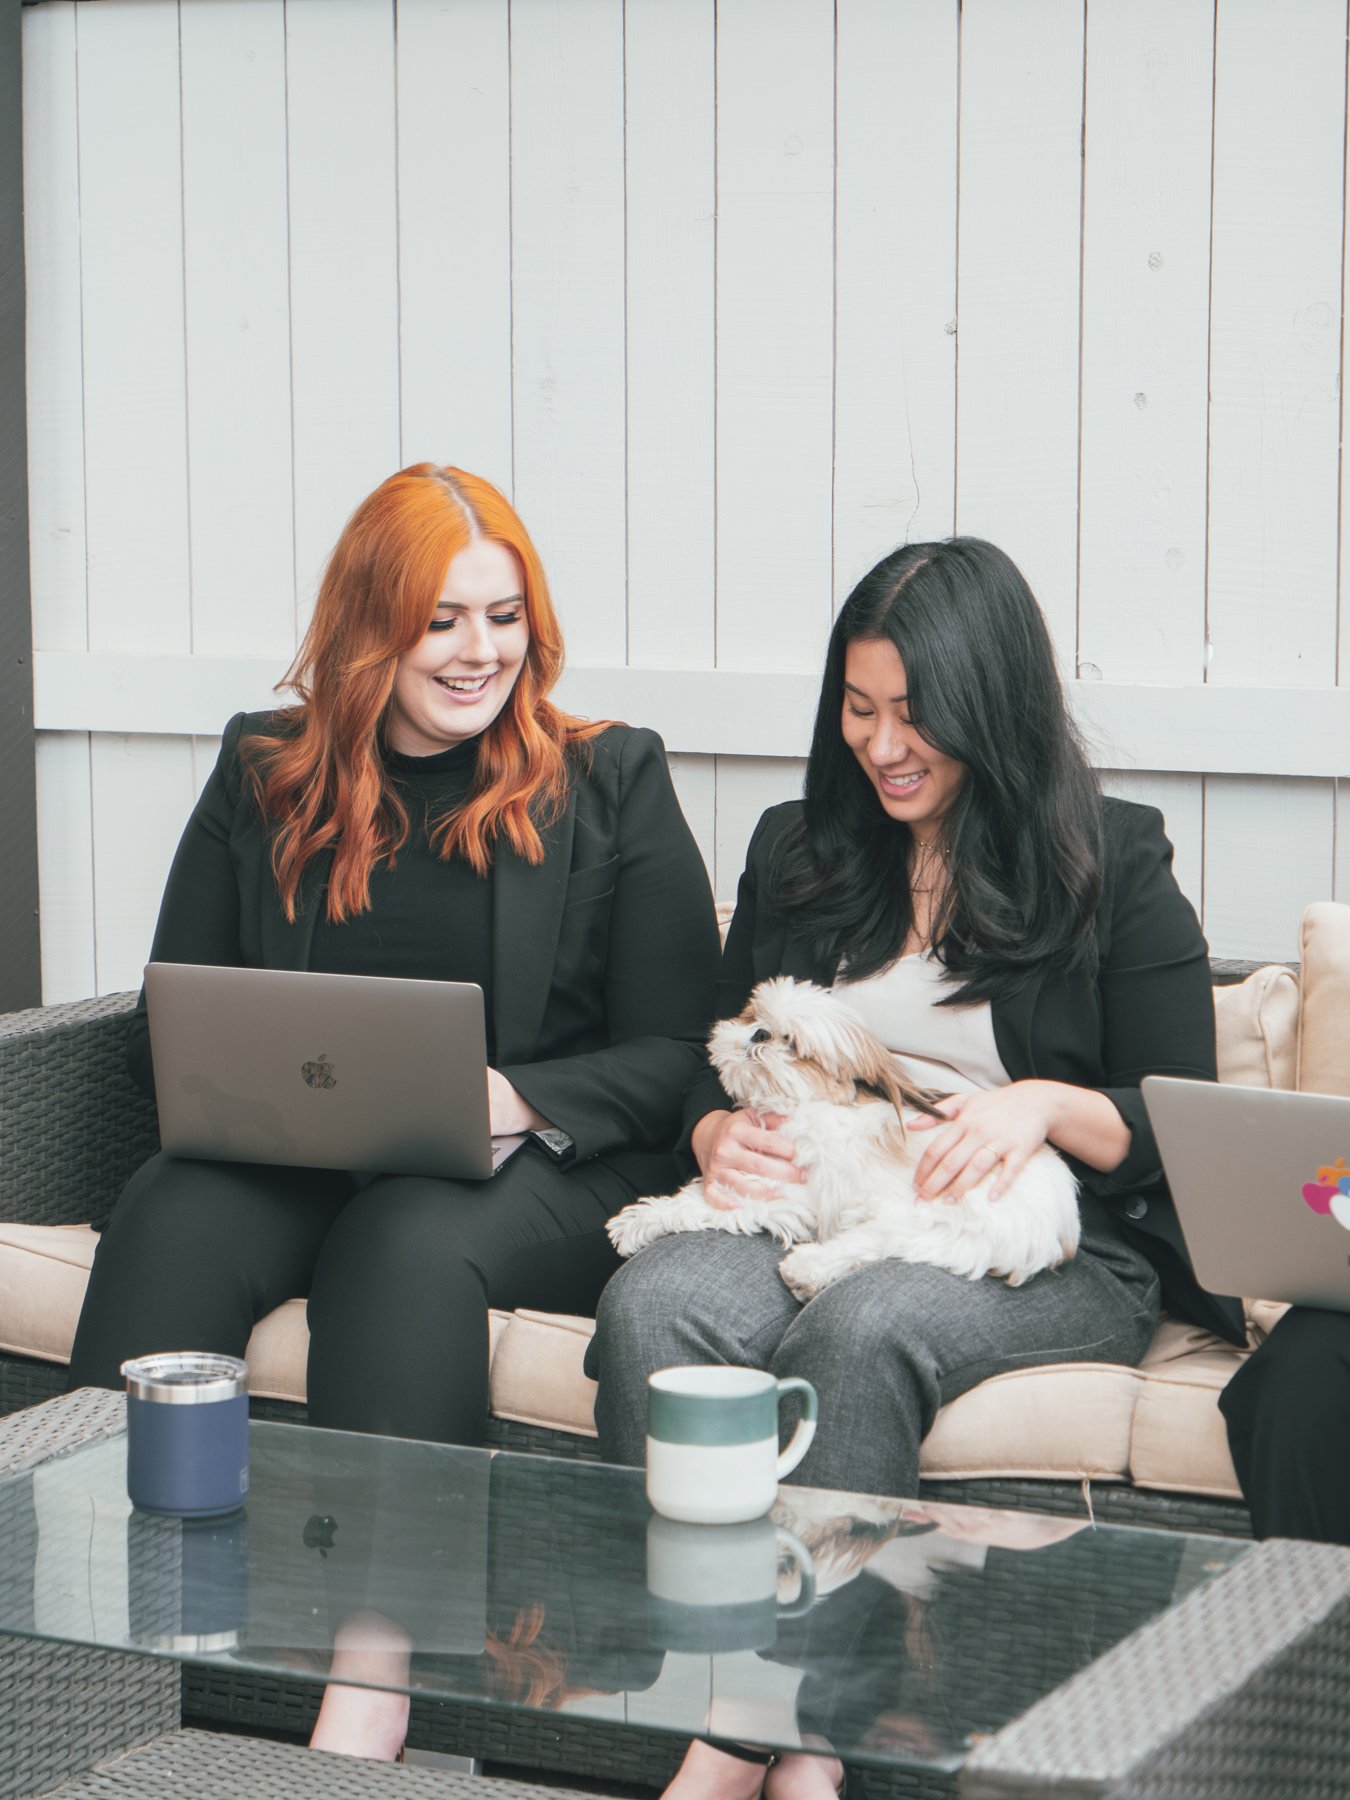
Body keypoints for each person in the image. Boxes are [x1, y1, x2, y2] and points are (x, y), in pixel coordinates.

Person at [65, 462, 721, 1755]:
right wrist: (250, 1090)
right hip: (305, 1150)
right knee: (171, 1212)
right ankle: (101, 1628)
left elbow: (679, 1049)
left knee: (404, 1239)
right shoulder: (266, 769)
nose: (480, 652)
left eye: (504, 616)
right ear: (371, 626)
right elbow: (169, 1021)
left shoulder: (609, 779)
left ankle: (377, 1683)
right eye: (442, 620)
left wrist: (514, 1095)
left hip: (530, 1166)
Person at [589, 535, 1246, 1800]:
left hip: (1036, 1235)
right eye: (859, 708)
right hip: (820, 1204)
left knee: (863, 1326)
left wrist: (1041, 1105)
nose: (883, 745)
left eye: (916, 714)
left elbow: (1182, 1115)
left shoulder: (1111, 857)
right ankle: (729, 1690)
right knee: (654, 1305)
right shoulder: (799, 848)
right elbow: (711, 1056)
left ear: (991, 707)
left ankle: (787, 1739)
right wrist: (713, 1134)